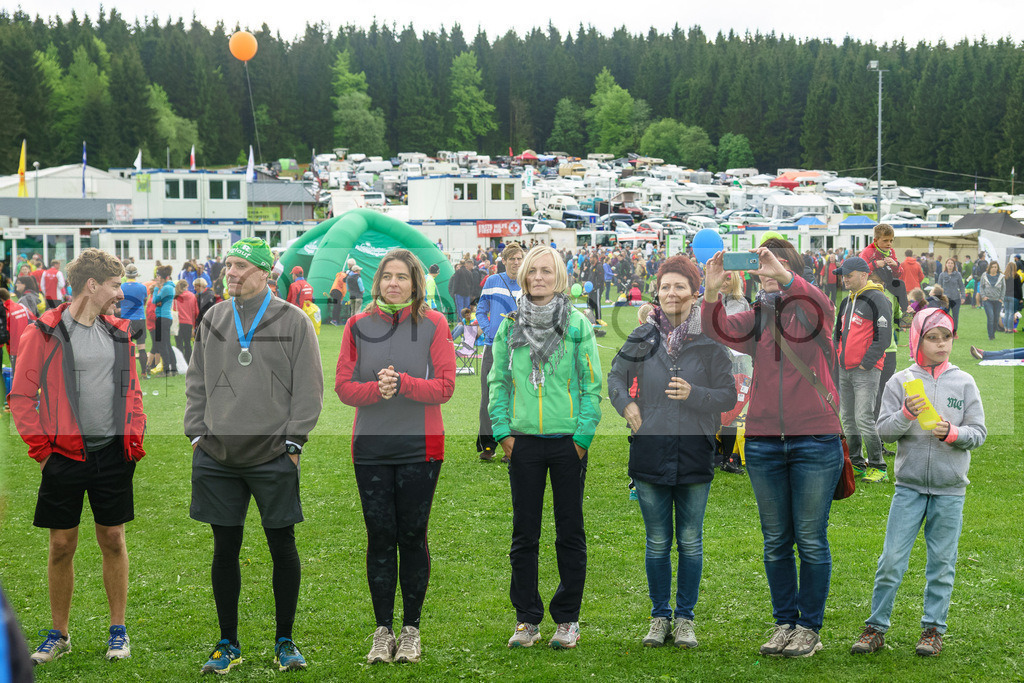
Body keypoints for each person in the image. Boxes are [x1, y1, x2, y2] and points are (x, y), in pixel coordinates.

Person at [185, 237, 324, 674]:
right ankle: (227, 642)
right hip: (216, 454)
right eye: (229, 265)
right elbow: (196, 380)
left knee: (282, 545)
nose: (231, 273)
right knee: (224, 548)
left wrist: (294, 444)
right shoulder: (214, 316)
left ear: (265, 272)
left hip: (272, 455)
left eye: (241, 266)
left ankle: (285, 640)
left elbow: (309, 389)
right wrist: (196, 433)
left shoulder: (294, 320)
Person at [701, 240, 843, 659]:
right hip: (763, 440)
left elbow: (821, 308)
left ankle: (809, 628)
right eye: (761, 269)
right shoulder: (758, 316)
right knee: (776, 539)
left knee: (811, 539)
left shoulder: (812, 310)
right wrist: (712, 291)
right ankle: (785, 623)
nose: (764, 275)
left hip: (815, 437)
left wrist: (784, 276)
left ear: (791, 270)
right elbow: (717, 331)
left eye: (773, 269)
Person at [10, 248, 146, 665]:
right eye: (114, 285)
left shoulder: (118, 333)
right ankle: (59, 633)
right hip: (62, 459)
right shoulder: (43, 332)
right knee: (61, 546)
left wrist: (133, 442)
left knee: (113, 539)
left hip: (112, 456)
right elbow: (20, 398)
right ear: (92, 285)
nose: (119, 293)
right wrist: (46, 454)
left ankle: (118, 630)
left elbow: (133, 393)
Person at [607, 256, 734, 649]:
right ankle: (659, 616)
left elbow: (728, 395)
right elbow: (615, 376)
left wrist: (695, 395)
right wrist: (625, 406)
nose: (672, 293)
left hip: (695, 452)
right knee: (658, 542)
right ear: (656, 293)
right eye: (665, 287)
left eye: (680, 286)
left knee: (691, 542)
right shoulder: (643, 337)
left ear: (696, 292)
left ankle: (685, 619)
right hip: (650, 452)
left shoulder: (710, 340)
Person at [335, 249, 456, 665]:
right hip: (370, 449)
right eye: (387, 276)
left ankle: (411, 630)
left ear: (415, 282)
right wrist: (377, 390)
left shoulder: (434, 324)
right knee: (380, 538)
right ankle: (382, 629)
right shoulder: (357, 324)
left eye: (402, 277)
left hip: (420, 448)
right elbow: (343, 387)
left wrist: (402, 384)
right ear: (377, 281)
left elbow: (444, 386)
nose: (394, 283)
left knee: (412, 536)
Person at [851, 309, 986, 658]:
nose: (941, 344)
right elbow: (883, 432)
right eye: (932, 337)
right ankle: (875, 628)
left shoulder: (964, 382)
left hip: (950, 489)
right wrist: (906, 415)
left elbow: (979, 432)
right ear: (917, 340)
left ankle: (932, 630)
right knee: (892, 560)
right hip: (909, 488)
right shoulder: (900, 381)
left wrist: (953, 433)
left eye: (946, 337)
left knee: (942, 563)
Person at [488, 245, 603, 650]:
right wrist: (503, 433)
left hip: (567, 443)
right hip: (524, 445)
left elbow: (591, 385)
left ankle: (567, 619)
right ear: (522, 277)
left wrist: (582, 438)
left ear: (559, 277)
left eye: (546, 271)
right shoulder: (508, 326)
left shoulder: (576, 324)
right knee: (525, 535)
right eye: (532, 271)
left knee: (569, 533)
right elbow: (498, 382)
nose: (538, 277)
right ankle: (527, 620)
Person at [834, 257, 892, 482]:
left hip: (866, 370)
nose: (845, 278)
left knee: (864, 417)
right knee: (847, 418)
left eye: (849, 274)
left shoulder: (878, 298)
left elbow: (884, 337)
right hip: (844, 369)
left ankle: (879, 465)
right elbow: (838, 334)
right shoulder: (847, 300)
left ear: (864, 275)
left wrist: (866, 362)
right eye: (844, 275)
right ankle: (857, 462)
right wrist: (839, 358)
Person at [476, 243, 524, 461]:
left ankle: (513, 443)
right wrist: (489, 331)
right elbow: (481, 310)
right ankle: (488, 445)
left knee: (516, 395)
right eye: (511, 258)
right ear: (503, 261)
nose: (516, 262)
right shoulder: (492, 281)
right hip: (492, 348)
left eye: (519, 258)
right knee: (489, 394)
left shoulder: (527, 282)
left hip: (519, 349)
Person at [119, 265, 149, 377]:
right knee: (142, 347)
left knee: (126, 348)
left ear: (125, 274)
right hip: (140, 318)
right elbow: (144, 301)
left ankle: (128, 372)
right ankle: (144, 372)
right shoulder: (142, 287)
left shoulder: (121, 287)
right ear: (136, 274)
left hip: (125, 319)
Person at [150, 265, 177, 377]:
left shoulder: (166, 288)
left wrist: (156, 288)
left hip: (162, 318)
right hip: (165, 317)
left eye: (158, 276)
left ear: (162, 277)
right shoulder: (169, 286)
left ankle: (166, 370)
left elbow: (155, 300)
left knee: (162, 345)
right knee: (167, 344)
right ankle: (173, 369)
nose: (157, 278)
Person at [935, 258, 966, 336]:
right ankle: (947, 332)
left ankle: (954, 332)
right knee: (946, 316)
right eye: (948, 263)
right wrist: (938, 298)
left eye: (952, 263)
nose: (950, 265)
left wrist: (963, 296)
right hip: (945, 299)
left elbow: (962, 286)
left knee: (955, 317)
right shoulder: (942, 274)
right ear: (946, 264)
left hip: (956, 299)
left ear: (954, 265)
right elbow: (939, 287)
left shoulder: (958, 274)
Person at [977, 261, 1003, 340]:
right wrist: (983, 296)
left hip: (997, 300)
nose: (994, 268)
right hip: (988, 300)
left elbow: (1003, 288)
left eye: (995, 267)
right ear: (989, 268)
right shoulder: (984, 275)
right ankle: (990, 335)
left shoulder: (1001, 277)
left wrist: (1001, 298)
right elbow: (981, 286)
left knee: (996, 318)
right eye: (992, 267)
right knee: (990, 317)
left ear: (997, 268)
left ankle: (993, 331)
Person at [174, 279, 198, 364]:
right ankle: (189, 362)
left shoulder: (175, 297)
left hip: (177, 323)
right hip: (188, 323)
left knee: (179, 343)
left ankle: (180, 363)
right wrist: (194, 326)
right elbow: (195, 312)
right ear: (186, 286)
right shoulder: (192, 296)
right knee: (188, 344)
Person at [1002, 260, 1021, 332]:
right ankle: (1010, 329)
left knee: (1006, 312)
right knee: (1011, 313)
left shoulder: (1004, 276)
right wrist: (1020, 298)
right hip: (1014, 297)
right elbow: (1018, 288)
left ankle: (1006, 328)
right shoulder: (1016, 276)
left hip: (1005, 296)